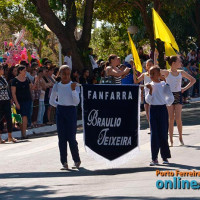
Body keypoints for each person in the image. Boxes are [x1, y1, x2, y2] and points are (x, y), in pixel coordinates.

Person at [50, 65, 81, 170]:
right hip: (61, 112)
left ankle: (76, 160)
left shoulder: (74, 85)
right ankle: (64, 161)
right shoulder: (57, 86)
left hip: (71, 111)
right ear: (60, 74)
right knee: (62, 138)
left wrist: (73, 90)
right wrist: (59, 105)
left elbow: (76, 102)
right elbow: (51, 100)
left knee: (71, 138)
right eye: (64, 74)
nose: (66, 76)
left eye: (68, 74)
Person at [161, 56, 196, 146]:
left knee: (178, 118)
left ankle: (180, 137)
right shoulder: (167, 72)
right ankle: (171, 140)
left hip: (178, 95)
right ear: (173, 63)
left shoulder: (181, 72)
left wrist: (184, 88)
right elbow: (156, 70)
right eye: (179, 61)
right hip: (169, 96)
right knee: (171, 119)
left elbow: (193, 80)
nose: (181, 63)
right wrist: (156, 56)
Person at [145, 66, 174, 166]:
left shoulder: (163, 85)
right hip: (153, 109)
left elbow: (170, 97)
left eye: (153, 73)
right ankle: (154, 158)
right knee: (154, 134)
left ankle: (165, 157)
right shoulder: (148, 85)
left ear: (158, 74)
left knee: (163, 132)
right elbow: (148, 100)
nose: (151, 76)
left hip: (162, 109)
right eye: (150, 73)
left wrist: (166, 101)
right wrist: (150, 90)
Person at [11, 65, 32, 139]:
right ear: (20, 71)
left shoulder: (27, 79)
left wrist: (36, 80)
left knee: (25, 116)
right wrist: (16, 103)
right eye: (24, 70)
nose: (25, 72)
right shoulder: (15, 81)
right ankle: (22, 132)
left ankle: (24, 134)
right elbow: (13, 93)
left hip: (27, 100)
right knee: (19, 117)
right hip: (19, 101)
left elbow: (31, 88)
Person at [133, 59, 154, 133]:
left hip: (154, 94)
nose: (149, 66)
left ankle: (155, 127)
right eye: (147, 65)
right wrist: (134, 71)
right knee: (147, 112)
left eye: (150, 65)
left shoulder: (156, 74)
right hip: (146, 94)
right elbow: (136, 81)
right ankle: (151, 128)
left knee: (153, 111)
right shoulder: (144, 74)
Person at [0, 64, 17, 143]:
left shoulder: (3, 78)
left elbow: (7, 88)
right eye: (1, 69)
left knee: (9, 118)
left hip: (6, 100)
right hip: (0, 101)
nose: (3, 70)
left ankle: (10, 136)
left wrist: (10, 98)